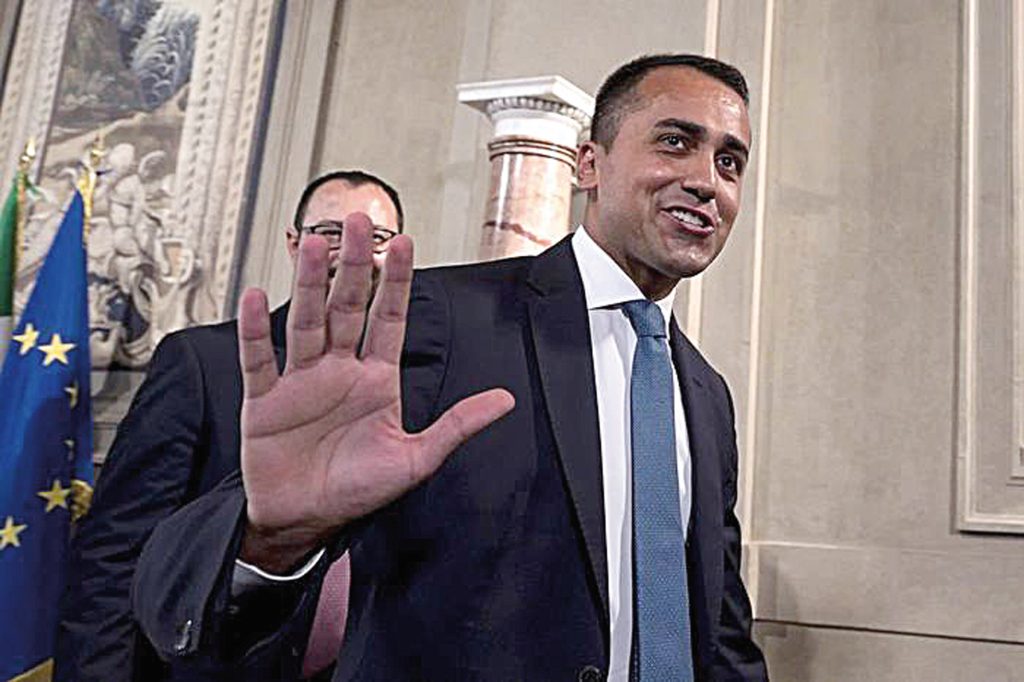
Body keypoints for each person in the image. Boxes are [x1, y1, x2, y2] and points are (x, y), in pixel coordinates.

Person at [133, 54, 768, 681]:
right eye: (675, 142)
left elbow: (720, 629)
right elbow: (182, 598)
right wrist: (276, 538)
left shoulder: (706, 395)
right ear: (589, 164)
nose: (707, 180)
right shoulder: (444, 317)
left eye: (729, 162)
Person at [55, 170, 405, 682]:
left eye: (374, 238)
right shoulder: (204, 363)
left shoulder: (424, 380)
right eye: (330, 232)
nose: (349, 251)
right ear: (293, 243)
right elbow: (113, 557)